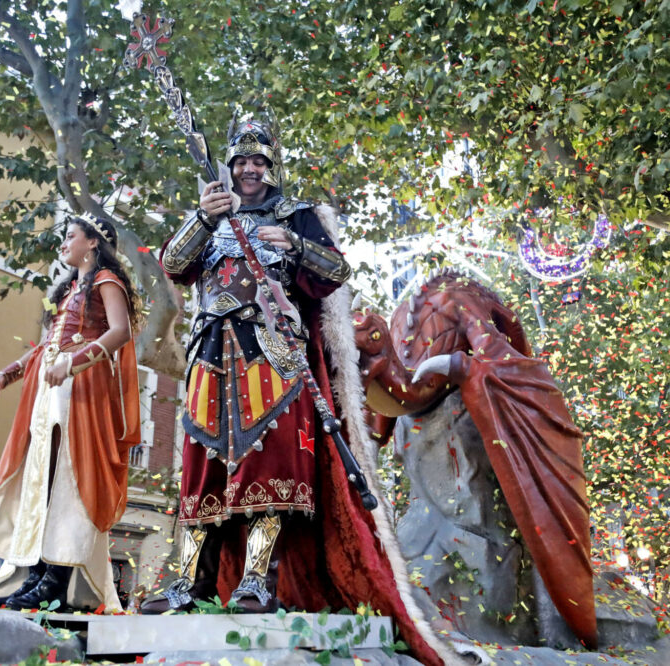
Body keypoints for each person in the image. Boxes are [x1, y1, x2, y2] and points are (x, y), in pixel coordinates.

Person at [145, 118, 446, 665]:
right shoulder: (211, 211)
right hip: (211, 352)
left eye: (258, 161)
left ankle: (256, 580)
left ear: (272, 167)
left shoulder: (296, 214)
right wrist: (202, 218)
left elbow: (336, 270)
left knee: (271, 465)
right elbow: (173, 265)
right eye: (241, 161)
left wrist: (297, 245)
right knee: (201, 468)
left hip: (272, 354)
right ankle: (187, 582)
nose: (249, 169)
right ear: (229, 167)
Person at [0, 213, 141, 612]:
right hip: (49, 389)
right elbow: (47, 345)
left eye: (70, 235)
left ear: (93, 242)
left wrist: (74, 363)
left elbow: (120, 332)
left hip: (82, 386)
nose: (63, 242)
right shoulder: (66, 291)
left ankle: (58, 580)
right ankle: (37, 572)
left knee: (69, 476)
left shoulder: (107, 281)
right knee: (41, 478)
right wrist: (7, 374)